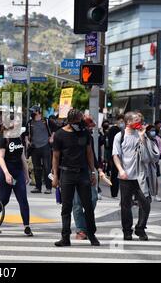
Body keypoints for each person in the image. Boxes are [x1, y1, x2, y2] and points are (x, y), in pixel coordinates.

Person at [51, 109, 100, 247]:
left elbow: (89, 153)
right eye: (78, 122)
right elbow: (55, 156)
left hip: (83, 173)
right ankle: (65, 237)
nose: (80, 124)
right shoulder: (60, 135)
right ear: (70, 121)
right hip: (66, 173)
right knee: (66, 207)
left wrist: (92, 172)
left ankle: (91, 235)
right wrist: (55, 176)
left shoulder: (84, 132)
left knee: (88, 205)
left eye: (81, 121)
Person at [113, 111, 159, 241]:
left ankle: (140, 228)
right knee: (125, 205)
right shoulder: (120, 136)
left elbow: (150, 157)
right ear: (128, 122)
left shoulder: (143, 135)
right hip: (125, 176)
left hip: (141, 177)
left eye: (141, 120)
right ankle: (127, 231)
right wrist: (121, 170)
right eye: (137, 120)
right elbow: (115, 155)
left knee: (146, 203)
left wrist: (143, 137)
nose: (140, 122)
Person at [0, 116, 33, 236]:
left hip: (18, 173)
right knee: (4, 199)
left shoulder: (18, 137)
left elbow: (22, 157)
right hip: (4, 173)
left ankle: (27, 226)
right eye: (16, 120)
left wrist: (26, 174)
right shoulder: (4, 139)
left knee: (23, 199)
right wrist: (7, 174)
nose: (19, 122)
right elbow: (0, 158)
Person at [72, 116, 109, 240]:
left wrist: (97, 169)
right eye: (89, 127)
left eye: (91, 127)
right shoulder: (69, 135)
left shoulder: (89, 137)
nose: (91, 129)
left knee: (93, 198)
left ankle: (84, 224)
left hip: (88, 170)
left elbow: (91, 154)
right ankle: (81, 230)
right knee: (77, 203)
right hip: (73, 171)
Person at [25, 106, 55, 194]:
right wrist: (27, 140)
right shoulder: (30, 122)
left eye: (33, 111)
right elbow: (26, 133)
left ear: (38, 112)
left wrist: (52, 138)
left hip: (46, 147)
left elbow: (56, 129)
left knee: (47, 168)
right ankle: (38, 187)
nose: (31, 113)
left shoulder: (47, 121)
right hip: (34, 147)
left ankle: (48, 187)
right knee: (36, 168)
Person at [105, 114, 125, 198]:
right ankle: (114, 193)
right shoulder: (113, 130)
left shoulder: (123, 130)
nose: (122, 123)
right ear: (117, 121)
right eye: (121, 121)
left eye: (123, 121)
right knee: (114, 174)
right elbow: (111, 143)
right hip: (114, 154)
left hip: (123, 155)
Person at [147, 124, 161, 202]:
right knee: (146, 179)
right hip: (146, 163)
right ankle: (147, 194)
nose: (153, 132)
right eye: (151, 131)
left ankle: (155, 194)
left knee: (155, 179)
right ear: (147, 131)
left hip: (154, 162)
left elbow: (160, 149)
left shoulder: (156, 139)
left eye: (154, 130)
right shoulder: (144, 139)